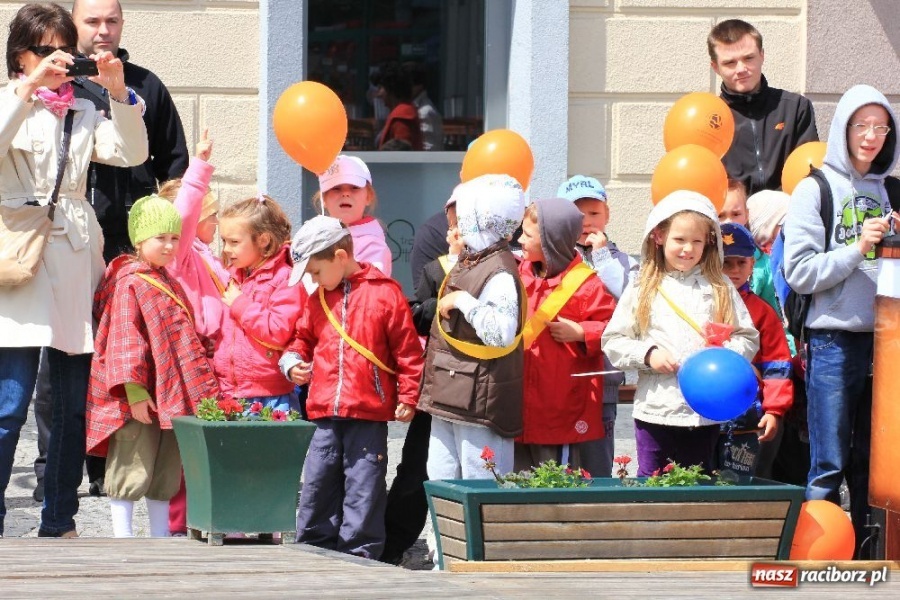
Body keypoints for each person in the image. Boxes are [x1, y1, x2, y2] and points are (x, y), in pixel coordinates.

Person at [0, 2, 148, 538]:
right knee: (9, 402)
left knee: (69, 404)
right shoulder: (7, 102)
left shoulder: (84, 110)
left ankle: (59, 519)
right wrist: (26, 88)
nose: (56, 61)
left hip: (71, 256)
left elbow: (132, 153)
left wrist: (115, 92)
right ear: (20, 54)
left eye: (63, 49)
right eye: (44, 50)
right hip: (17, 258)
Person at [783, 84, 899, 558]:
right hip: (833, 340)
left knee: (878, 466)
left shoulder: (893, 189)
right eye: (861, 126)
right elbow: (800, 272)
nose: (871, 136)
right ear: (843, 129)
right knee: (828, 461)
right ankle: (819, 560)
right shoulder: (816, 189)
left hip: (889, 346)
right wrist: (857, 248)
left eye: (881, 127)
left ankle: (874, 560)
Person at [281, 216, 423, 560]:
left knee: (365, 487)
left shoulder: (385, 294)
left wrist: (408, 395)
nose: (313, 280)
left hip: (368, 413)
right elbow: (302, 337)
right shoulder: (319, 299)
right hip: (324, 413)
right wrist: (291, 362)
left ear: (340, 257)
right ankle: (313, 549)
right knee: (317, 485)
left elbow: (407, 350)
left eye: (315, 271)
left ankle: (359, 555)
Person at [85, 195, 218, 537]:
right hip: (140, 397)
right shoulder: (131, 281)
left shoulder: (167, 282)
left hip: (171, 393)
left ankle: (160, 536)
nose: (170, 245)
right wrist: (134, 391)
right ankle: (123, 537)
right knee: (133, 461)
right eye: (161, 237)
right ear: (140, 240)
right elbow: (124, 339)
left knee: (165, 469)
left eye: (175, 238)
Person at [602, 191, 759, 476]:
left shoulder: (719, 287)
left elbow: (747, 336)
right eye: (680, 240)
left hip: (704, 414)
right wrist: (648, 355)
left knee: (697, 488)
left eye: (696, 241)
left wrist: (722, 357)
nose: (688, 249)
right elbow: (614, 340)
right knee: (653, 485)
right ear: (659, 236)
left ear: (708, 243)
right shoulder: (642, 286)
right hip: (655, 409)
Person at [418, 174, 527, 479]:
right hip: (452, 392)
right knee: (441, 480)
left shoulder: (500, 271)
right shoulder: (473, 260)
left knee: (481, 483)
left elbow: (501, 334)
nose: (455, 224)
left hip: (480, 404)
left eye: (463, 216)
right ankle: (443, 530)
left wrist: (464, 301)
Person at [381, 188, 464, 566]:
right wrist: (440, 306)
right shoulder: (437, 268)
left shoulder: (508, 268)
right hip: (440, 382)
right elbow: (416, 312)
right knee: (417, 468)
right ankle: (390, 546)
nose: (453, 234)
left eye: (462, 226)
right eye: (452, 226)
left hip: (484, 388)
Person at [72, 0, 189, 261]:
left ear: (122, 25)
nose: (104, 30)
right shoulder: (60, 87)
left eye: (111, 21)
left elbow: (174, 164)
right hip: (77, 237)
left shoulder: (147, 84)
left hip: (139, 239)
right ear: (73, 25)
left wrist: (167, 228)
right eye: (92, 22)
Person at [155, 131, 227, 536]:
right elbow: (181, 215)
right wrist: (197, 168)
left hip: (218, 355)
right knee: (188, 447)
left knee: (206, 443)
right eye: (210, 213)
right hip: (196, 354)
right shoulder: (180, 253)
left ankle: (204, 517)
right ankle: (178, 525)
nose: (216, 221)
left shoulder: (209, 256)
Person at [515, 198, 617, 472]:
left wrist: (582, 332)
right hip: (521, 399)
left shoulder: (587, 284)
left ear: (551, 240)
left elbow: (613, 329)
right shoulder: (516, 276)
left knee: (556, 476)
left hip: (561, 403)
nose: (520, 240)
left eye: (527, 234)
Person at [557, 175, 638, 476]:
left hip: (601, 379)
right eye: (577, 215)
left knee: (597, 462)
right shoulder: (554, 260)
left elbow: (627, 300)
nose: (586, 222)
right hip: (559, 377)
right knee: (559, 464)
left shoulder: (625, 263)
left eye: (594, 213)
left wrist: (602, 258)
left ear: (607, 214)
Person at [215, 195, 307, 413]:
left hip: (270, 397)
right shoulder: (231, 276)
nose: (226, 249)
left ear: (263, 240)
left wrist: (240, 304)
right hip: (230, 393)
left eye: (234, 242)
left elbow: (278, 331)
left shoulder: (285, 278)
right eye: (224, 241)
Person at [708, 19, 818, 195]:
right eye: (730, 63)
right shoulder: (706, 119)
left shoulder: (795, 107)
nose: (741, 69)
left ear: (762, 55)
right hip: (730, 216)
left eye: (748, 58)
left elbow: (810, 173)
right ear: (715, 67)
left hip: (787, 214)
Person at [717, 223, 792, 478]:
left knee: (750, 483)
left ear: (752, 264)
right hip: (705, 416)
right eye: (727, 263)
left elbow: (777, 366)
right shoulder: (699, 304)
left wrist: (774, 410)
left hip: (751, 417)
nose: (735, 270)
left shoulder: (762, 312)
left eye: (742, 262)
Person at [312, 155, 392, 277]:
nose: (345, 193)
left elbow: (369, 290)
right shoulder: (313, 238)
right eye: (336, 188)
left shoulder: (373, 246)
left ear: (368, 197)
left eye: (354, 187)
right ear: (324, 199)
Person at [372, 62, 423, 151]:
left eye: (381, 88)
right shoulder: (403, 111)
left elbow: (401, 154)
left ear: (391, 89)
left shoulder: (402, 115)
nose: (378, 94)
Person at [403, 61, 443, 151]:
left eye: (407, 85)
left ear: (418, 86)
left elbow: (430, 148)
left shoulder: (425, 112)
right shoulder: (411, 107)